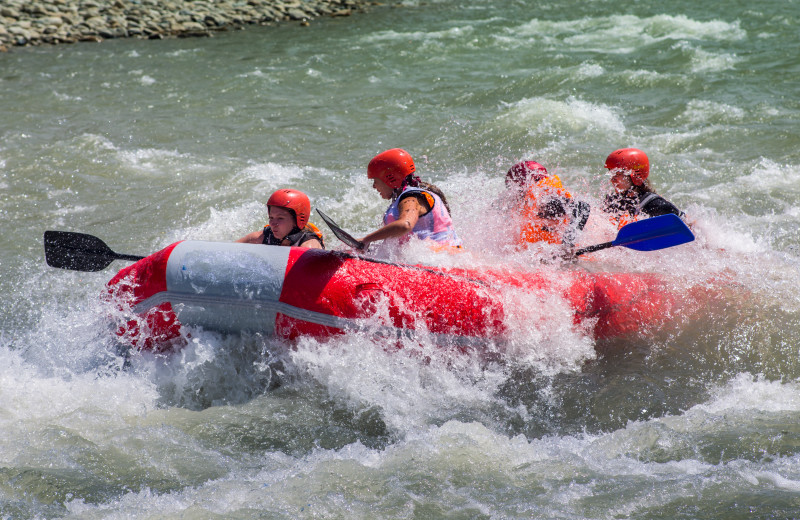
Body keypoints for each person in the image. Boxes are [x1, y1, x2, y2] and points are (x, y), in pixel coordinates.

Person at [357, 148, 462, 251]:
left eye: (376, 181)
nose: (374, 186)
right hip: (440, 259)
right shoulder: (412, 196)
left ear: (389, 179)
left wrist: (367, 239)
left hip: (441, 260)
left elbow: (405, 225)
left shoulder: (410, 198)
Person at [505, 160, 590, 247]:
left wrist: (567, 245)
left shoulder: (544, 199)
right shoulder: (524, 206)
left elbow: (583, 207)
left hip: (566, 253)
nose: (514, 196)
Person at [600, 148, 685, 228]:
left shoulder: (655, 205)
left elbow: (687, 224)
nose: (612, 179)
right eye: (612, 174)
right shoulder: (613, 201)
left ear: (635, 176)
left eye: (618, 174)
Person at [237, 188, 324, 249]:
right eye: (271, 217)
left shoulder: (308, 245)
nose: (272, 224)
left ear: (296, 220)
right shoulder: (264, 236)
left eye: (280, 218)